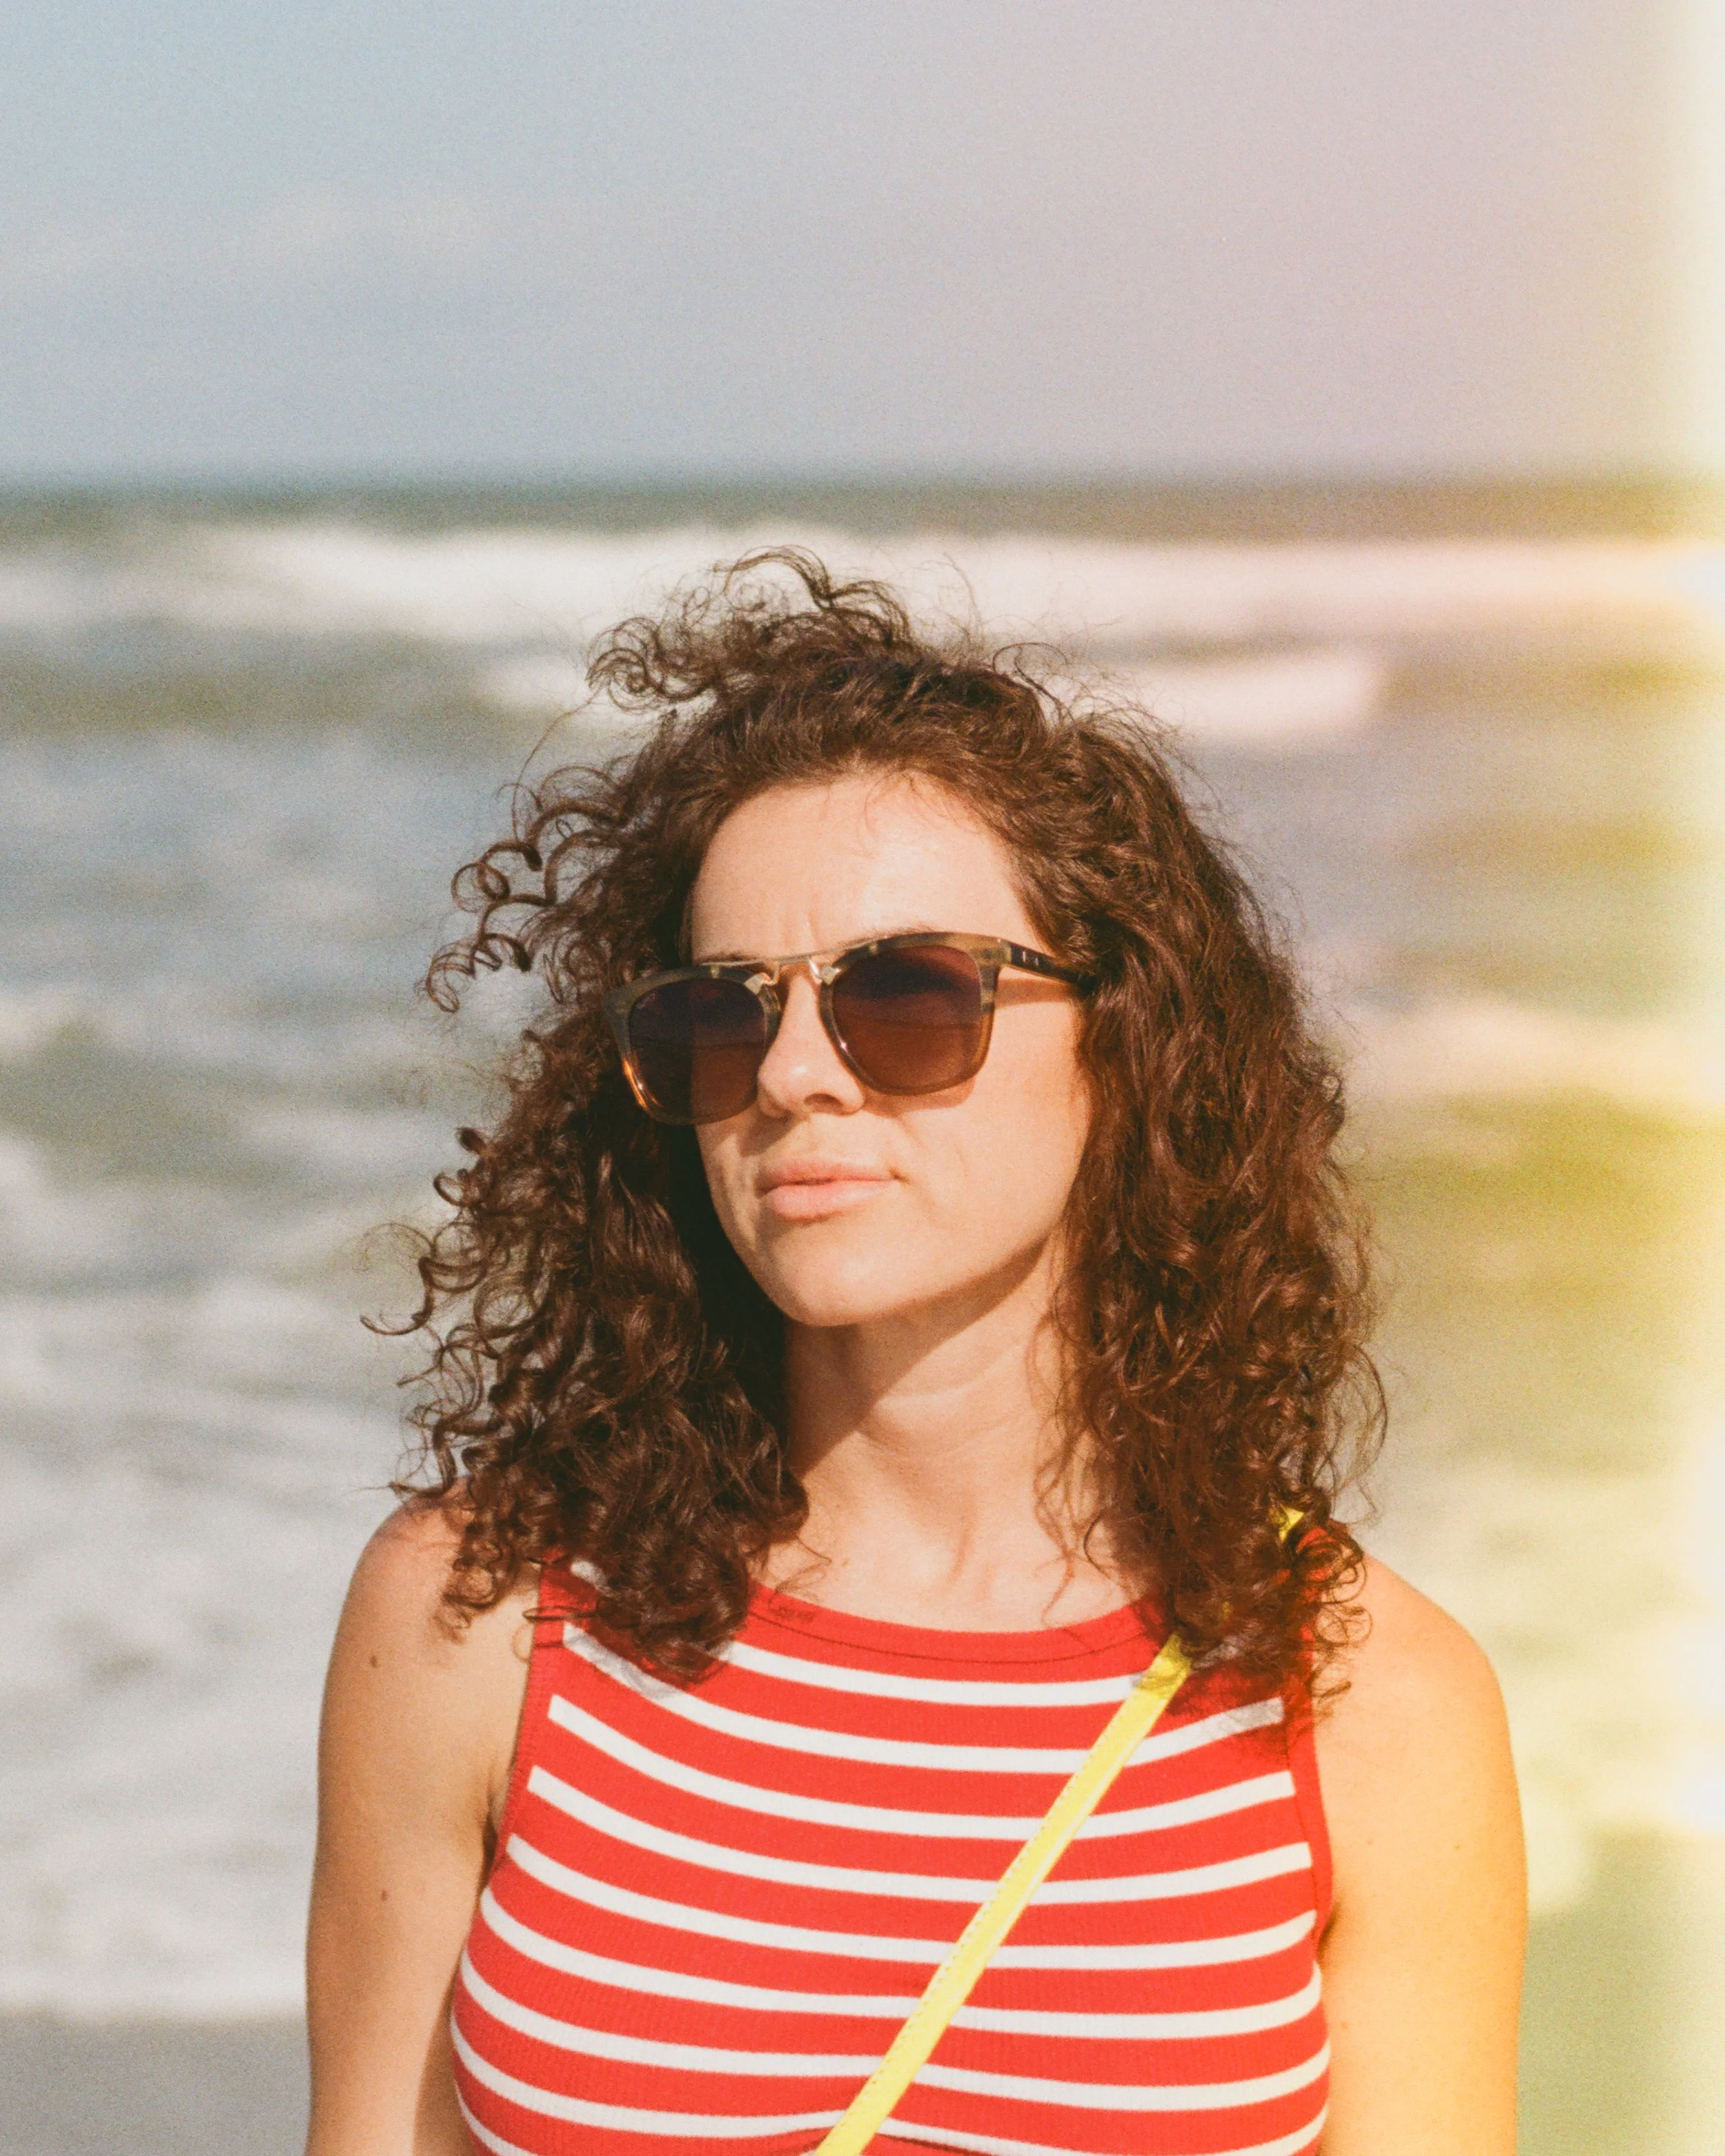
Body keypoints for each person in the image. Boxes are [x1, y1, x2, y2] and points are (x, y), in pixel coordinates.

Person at [306, 553, 1525, 2156]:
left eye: (907, 992)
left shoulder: (1362, 1700)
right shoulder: (483, 1614)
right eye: (720, 1014)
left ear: (1125, 1041)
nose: (797, 1072)